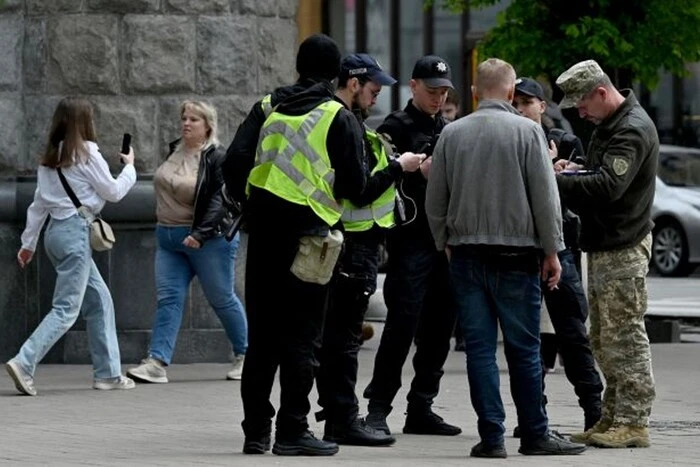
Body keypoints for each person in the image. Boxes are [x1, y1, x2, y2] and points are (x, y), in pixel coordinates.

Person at [425, 58, 587, 458]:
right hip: (516, 255)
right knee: (524, 348)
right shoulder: (529, 132)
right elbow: (545, 198)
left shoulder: (453, 134)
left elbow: (436, 200)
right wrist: (552, 250)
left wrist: (444, 239)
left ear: (476, 91)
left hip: (466, 253)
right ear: (512, 93)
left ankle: (492, 437)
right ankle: (534, 433)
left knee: (480, 349)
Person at [222, 34, 367, 457]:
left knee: (263, 336)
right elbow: (356, 186)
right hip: (311, 240)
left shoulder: (267, 107)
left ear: (298, 66)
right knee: (302, 337)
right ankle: (292, 430)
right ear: (337, 74)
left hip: (264, 234)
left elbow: (233, 163)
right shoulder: (336, 116)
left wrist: (251, 199)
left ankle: (255, 432)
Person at [315, 53, 425, 447]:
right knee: (343, 338)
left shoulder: (346, 119)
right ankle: (343, 419)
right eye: (373, 87)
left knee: (337, 336)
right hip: (352, 244)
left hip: (351, 242)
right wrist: (400, 168)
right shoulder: (343, 120)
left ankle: (337, 414)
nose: (378, 94)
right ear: (353, 82)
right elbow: (358, 191)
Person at [554, 59, 658, 448]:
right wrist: (576, 168)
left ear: (601, 92)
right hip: (605, 242)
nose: (579, 113)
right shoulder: (610, 124)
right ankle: (611, 417)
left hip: (623, 244)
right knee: (603, 336)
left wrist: (557, 180)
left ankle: (633, 422)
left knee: (625, 336)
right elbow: (598, 174)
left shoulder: (630, 129)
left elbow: (608, 187)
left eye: (582, 105)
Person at [6, 96, 137, 396]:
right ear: (85, 122)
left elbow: (38, 205)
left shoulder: (52, 156)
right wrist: (129, 167)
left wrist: (28, 243)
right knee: (66, 309)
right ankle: (24, 362)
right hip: (76, 234)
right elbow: (114, 192)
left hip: (54, 234)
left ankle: (108, 374)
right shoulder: (88, 153)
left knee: (100, 299)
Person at [362, 55, 461, 438]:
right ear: (414, 86)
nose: (439, 98)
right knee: (401, 325)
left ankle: (422, 405)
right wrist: (414, 172)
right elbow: (377, 182)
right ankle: (378, 408)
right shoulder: (394, 128)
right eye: (433, 91)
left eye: (444, 92)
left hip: (444, 242)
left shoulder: (450, 129)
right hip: (410, 241)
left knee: (440, 328)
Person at [126, 100, 247, 384]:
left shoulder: (217, 157)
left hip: (207, 241)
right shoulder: (174, 150)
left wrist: (200, 233)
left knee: (221, 298)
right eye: (184, 118)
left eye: (194, 119)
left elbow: (222, 199)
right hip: (169, 239)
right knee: (168, 299)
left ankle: (246, 355)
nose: (186, 123)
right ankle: (156, 362)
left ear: (208, 126)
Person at [513, 77, 603, 433]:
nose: (520, 109)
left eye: (526, 102)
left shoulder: (564, 141)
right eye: (515, 102)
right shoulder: (509, 140)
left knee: (572, 334)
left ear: (542, 105)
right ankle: (533, 417)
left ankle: (594, 411)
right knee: (526, 340)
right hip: (519, 248)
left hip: (560, 246)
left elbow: (581, 193)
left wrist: (554, 170)